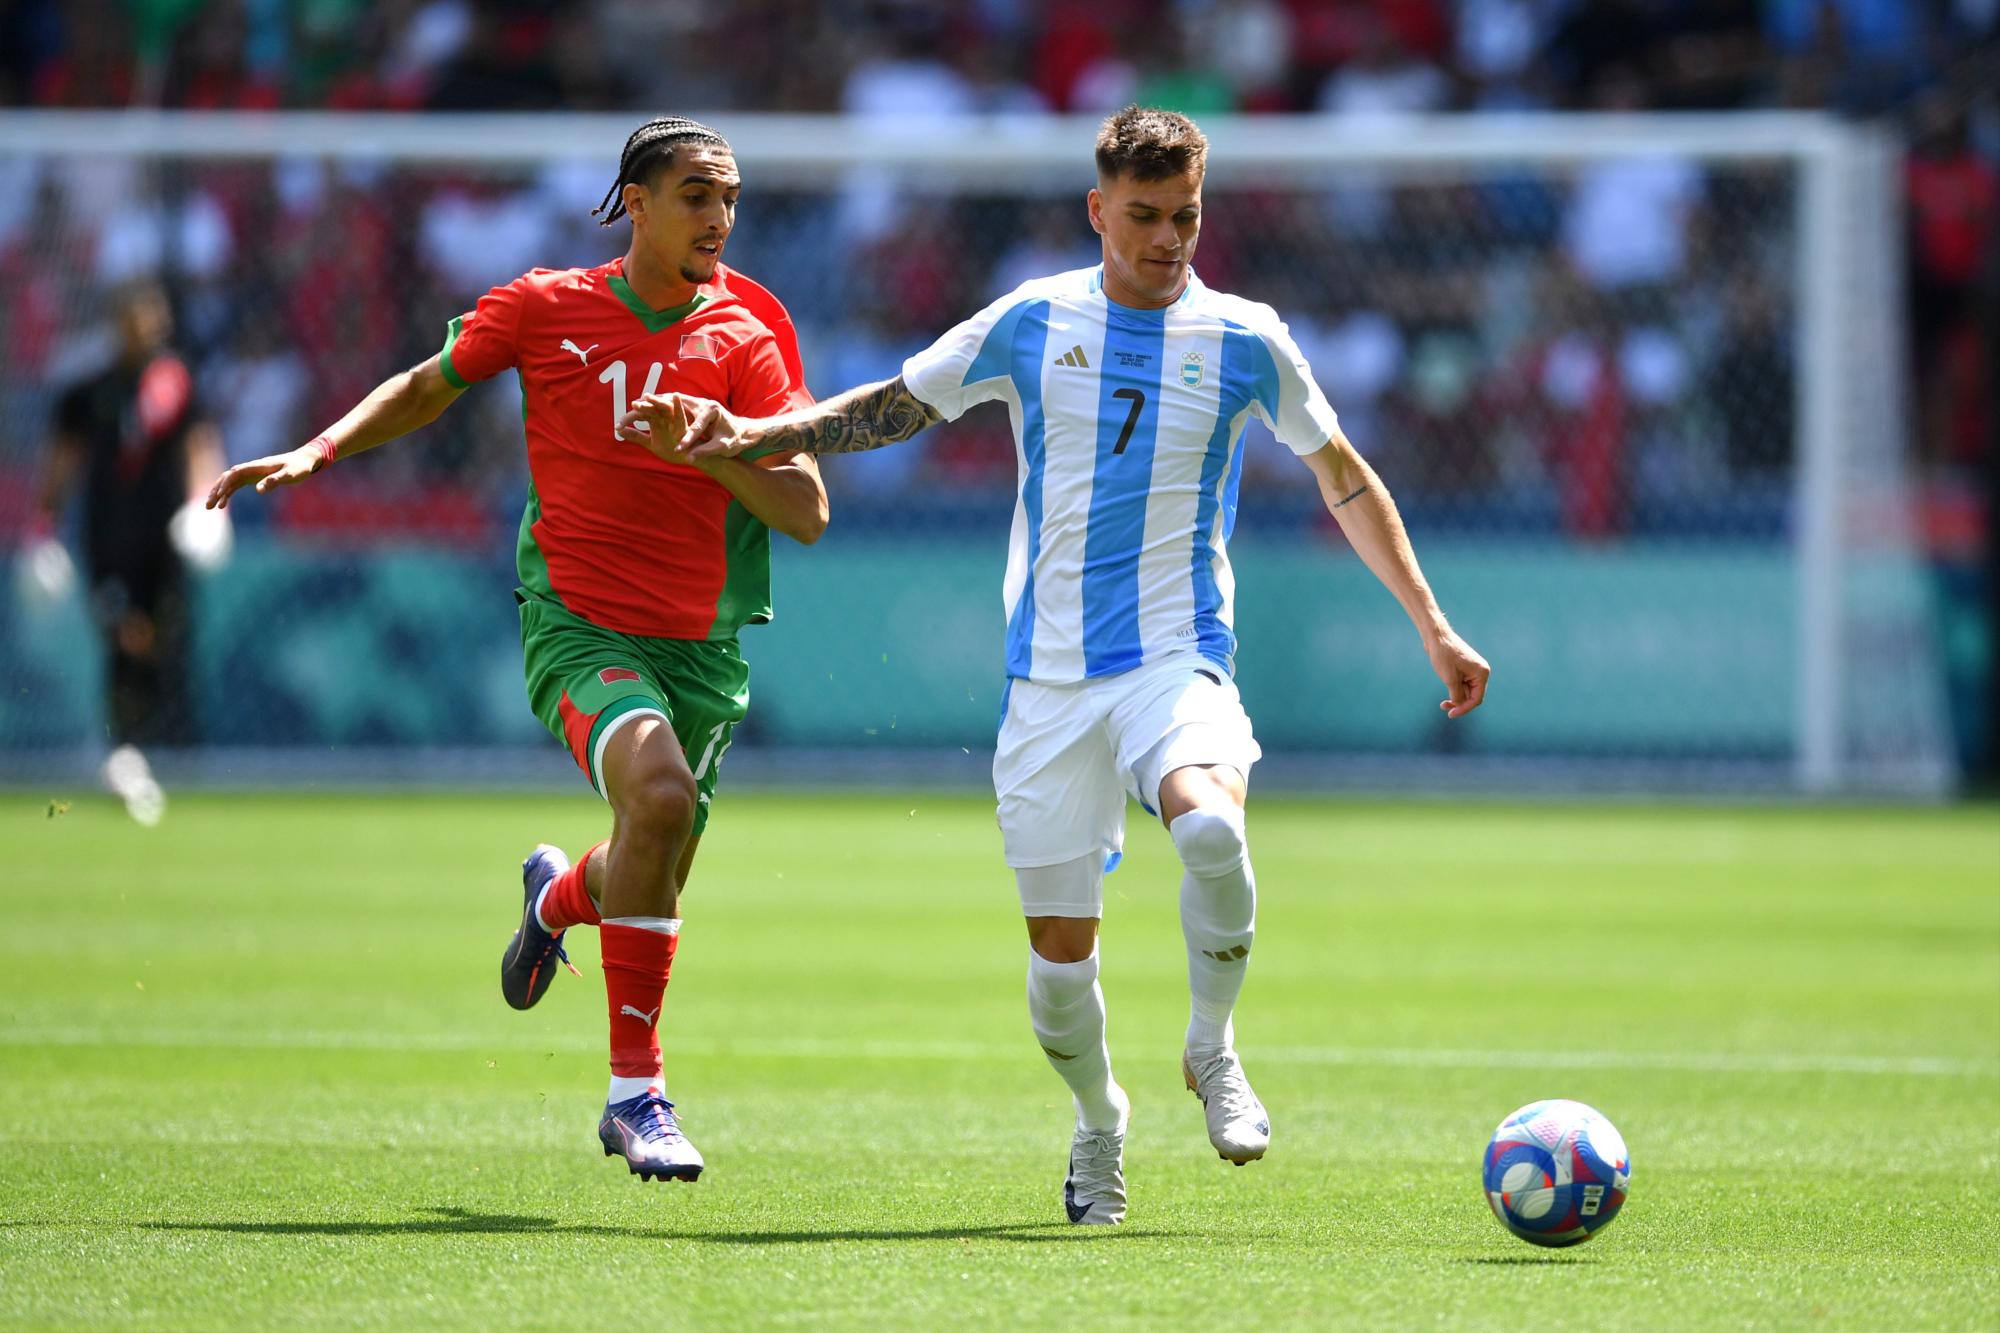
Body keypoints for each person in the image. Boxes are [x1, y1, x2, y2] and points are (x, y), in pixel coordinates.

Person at [623, 107, 1491, 1224]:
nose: (1166, 237)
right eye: (1141, 217)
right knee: (1058, 970)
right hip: (1047, 684)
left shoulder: (1245, 339)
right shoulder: (1033, 319)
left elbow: (1344, 476)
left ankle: (1211, 1047)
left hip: (1177, 659)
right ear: (1097, 211)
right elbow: (891, 406)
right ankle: (1097, 1122)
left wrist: (1430, 621)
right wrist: (752, 437)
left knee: (1213, 826)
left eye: (1183, 216)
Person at [206, 116, 828, 1183]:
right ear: (634, 201)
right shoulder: (546, 308)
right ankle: (638, 1098)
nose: (717, 216)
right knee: (661, 799)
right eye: (694, 193)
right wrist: (320, 448)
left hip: (703, 649)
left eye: (728, 196)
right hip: (578, 624)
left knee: (649, 863)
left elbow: (807, 509)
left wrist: (716, 449)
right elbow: (430, 382)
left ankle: (555, 899)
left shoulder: (749, 334)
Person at [30, 279, 229, 826]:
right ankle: (126, 753)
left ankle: (165, 755)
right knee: (124, 637)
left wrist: (206, 505)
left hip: (164, 541)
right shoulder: (88, 392)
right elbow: (61, 464)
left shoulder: (177, 385)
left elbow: (199, 445)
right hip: (107, 539)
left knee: (166, 636)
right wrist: (43, 531)